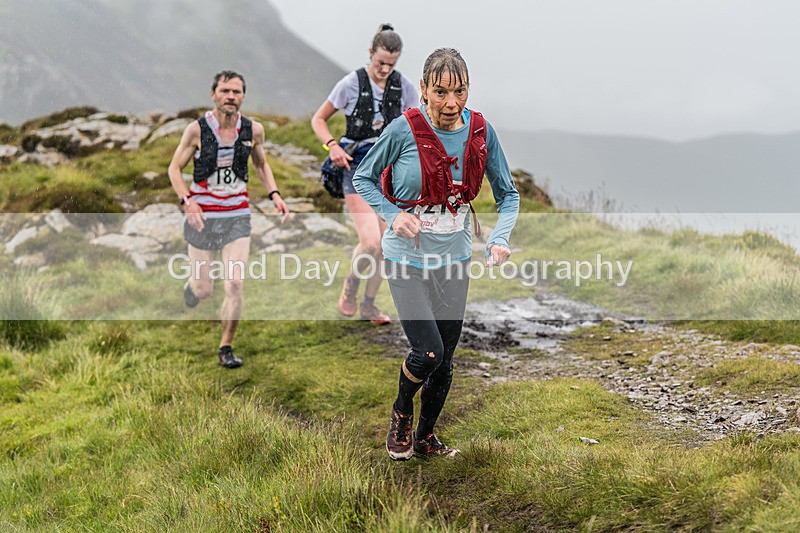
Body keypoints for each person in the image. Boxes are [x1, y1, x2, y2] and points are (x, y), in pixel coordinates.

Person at [353, 48, 520, 459]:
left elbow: (509, 195)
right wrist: (393, 217)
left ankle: (426, 437)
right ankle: (401, 412)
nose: (451, 103)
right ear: (424, 89)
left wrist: (498, 238)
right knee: (427, 353)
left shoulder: (481, 131)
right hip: (406, 258)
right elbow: (363, 177)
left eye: (459, 92)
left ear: (468, 90)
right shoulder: (402, 129)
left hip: (454, 259)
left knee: (445, 362)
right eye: (441, 92)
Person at [167, 70, 290, 369]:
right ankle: (192, 288)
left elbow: (261, 164)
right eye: (225, 91)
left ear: (243, 97)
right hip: (203, 218)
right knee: (203, 289)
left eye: (236, 92)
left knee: (234, 283)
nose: (230, 97)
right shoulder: (196, 130)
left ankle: (226, 346)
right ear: (214, 94)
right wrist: (188, 201)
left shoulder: (252, 130)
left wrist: (274, 194)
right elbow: (174, 169)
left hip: (237, 216)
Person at [311, 23, 419, 325]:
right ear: (371, 53)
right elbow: (318, 120)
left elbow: (416, 123)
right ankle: (351, 286)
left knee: (387, 245)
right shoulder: (350, 83)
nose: (384, 69)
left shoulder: (404, 87)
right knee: (370, 242)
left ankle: (369, 306)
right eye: (380, 62)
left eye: (391, 64)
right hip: (356, 166)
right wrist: (331, 145)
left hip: (389, 170)